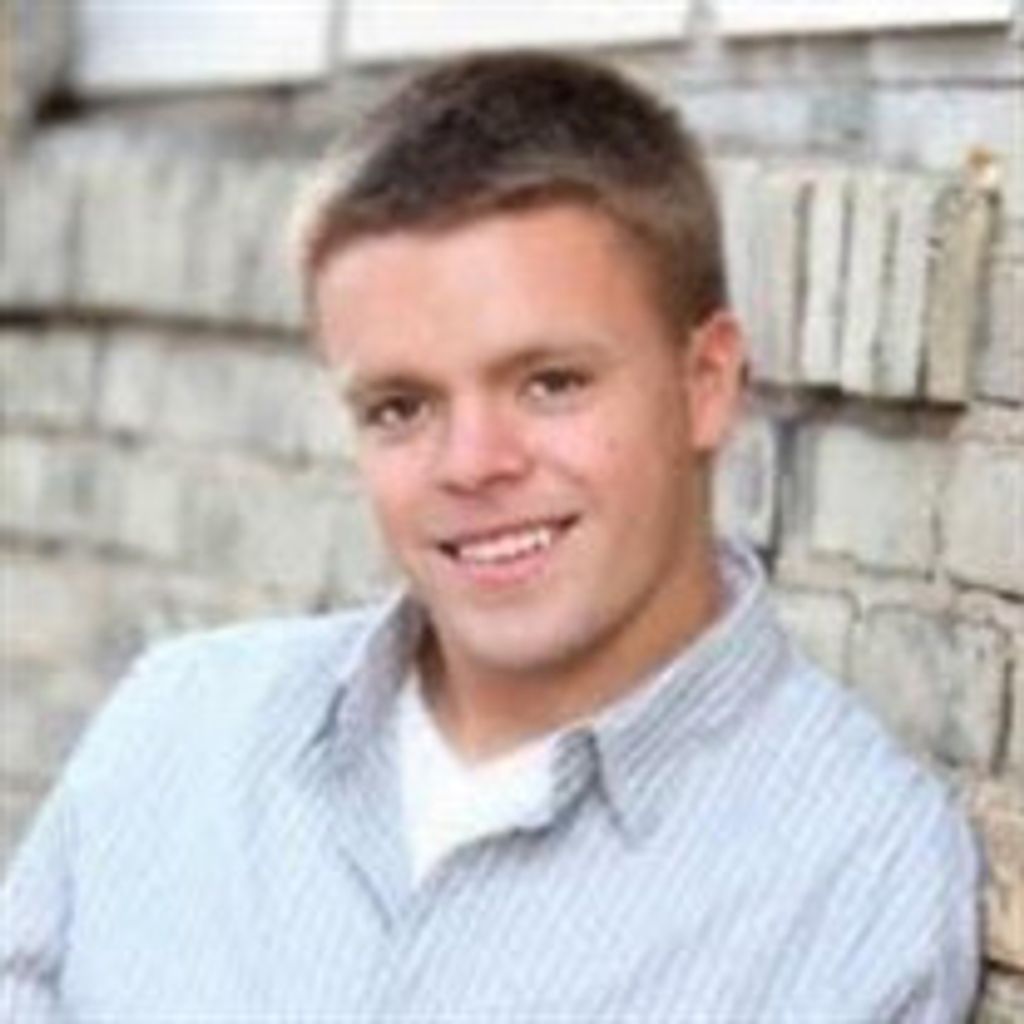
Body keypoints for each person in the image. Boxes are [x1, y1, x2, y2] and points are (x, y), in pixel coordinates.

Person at [2, 51, 980, 1021]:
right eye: (400, 406)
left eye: (549, 383)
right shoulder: (175, 729)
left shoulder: (857, 877)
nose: (472, 464)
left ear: (705, 383)